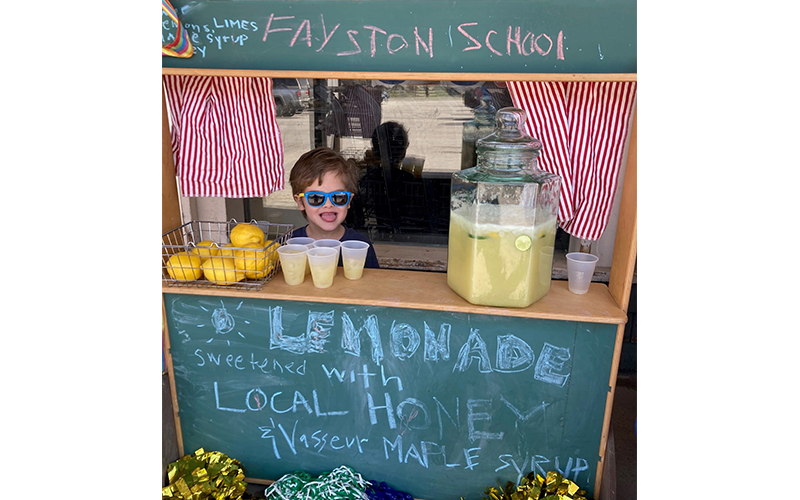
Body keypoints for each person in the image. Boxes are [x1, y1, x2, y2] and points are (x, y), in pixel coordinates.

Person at [289, 147, 380, 268]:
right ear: (300, 202)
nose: (328, 204)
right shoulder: (289, 245)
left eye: (338, 197)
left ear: (349, 201)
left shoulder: (360, 246)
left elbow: (373, 284)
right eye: (316, 198)